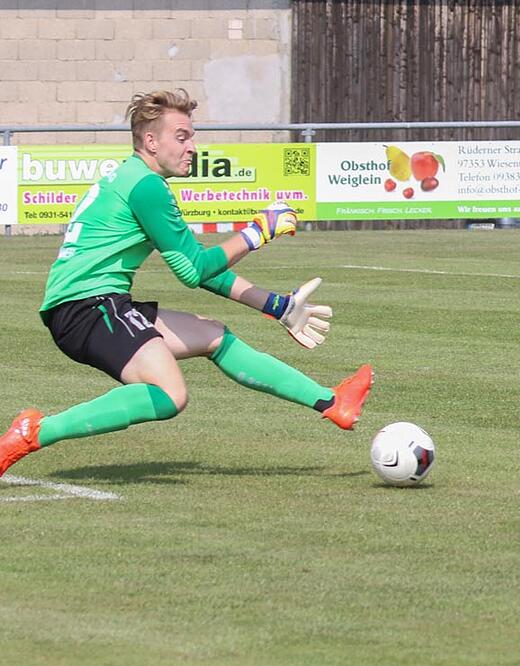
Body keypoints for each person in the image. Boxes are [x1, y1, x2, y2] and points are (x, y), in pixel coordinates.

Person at [0, 89, 372, 478]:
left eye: (192, 136)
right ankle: (35, 432)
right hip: (88, 307)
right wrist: (257, 231)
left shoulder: (136, 179)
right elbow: (193, 271)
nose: (192, 147)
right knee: (170, 394)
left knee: (213, 335)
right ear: (150, 141)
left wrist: (275, 305)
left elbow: (197, 268)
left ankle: (333, 403)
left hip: (93, 305)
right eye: (182, 137)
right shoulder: (146, 187)